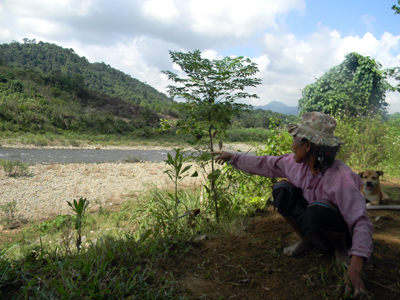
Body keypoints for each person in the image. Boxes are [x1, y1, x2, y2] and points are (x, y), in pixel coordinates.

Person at [213, 112, 372, 299]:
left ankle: (340, 250)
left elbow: (361, 221)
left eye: (295, 140)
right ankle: (305, 239)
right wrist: (233, 157)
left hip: (338, 231)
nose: (292, 145)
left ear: (307, 146)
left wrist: (356, 265)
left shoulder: (341, 177)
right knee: (281, 188)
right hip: (313, 224)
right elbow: (266, 163)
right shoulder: (295, 164)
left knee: (319, 208)